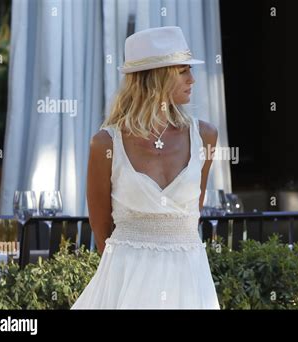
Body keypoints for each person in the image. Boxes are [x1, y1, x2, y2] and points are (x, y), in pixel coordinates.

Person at [72, 26, 220, 309]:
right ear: (156, 78)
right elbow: (100, 224)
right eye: (183, 71)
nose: (193, 79)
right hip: (123, 282)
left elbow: (192, 214)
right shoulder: (105, 143)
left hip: (188, 281)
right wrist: (124, 278)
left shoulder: (206, 136)